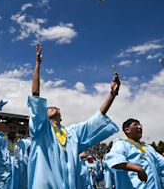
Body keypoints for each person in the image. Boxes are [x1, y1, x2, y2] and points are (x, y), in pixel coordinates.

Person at [27, 43, 120, 189]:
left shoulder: (72, 134)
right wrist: (38, 65)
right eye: (49, 107)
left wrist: (112, 94)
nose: (54, 107)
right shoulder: (41, 129)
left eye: (56, 107)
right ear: (43, 115)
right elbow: (36, 95)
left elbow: (96, 118)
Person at [105, 118, 164, 189]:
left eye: (140, 125)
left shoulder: (148, 148)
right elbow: (114, 159)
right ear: (127, 130)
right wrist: (139, 169)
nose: (140, 127)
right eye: (136, 125)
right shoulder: (121, 143)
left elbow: (163, 163)